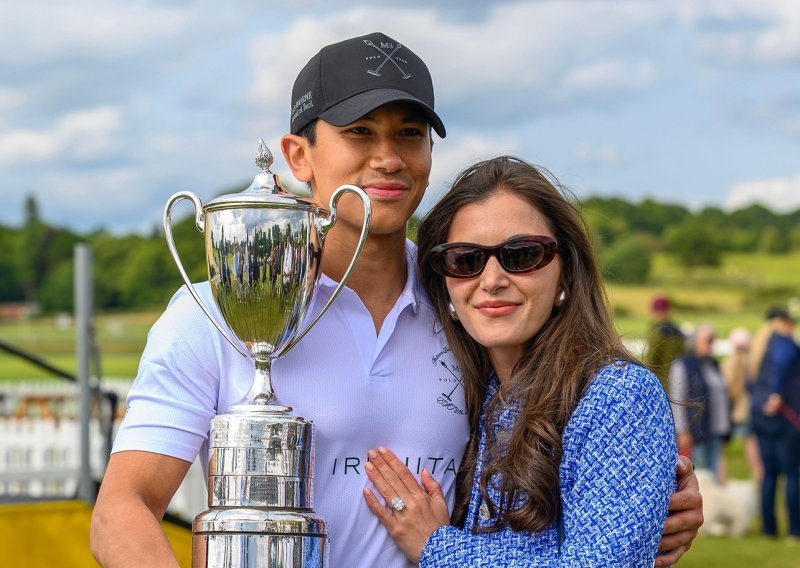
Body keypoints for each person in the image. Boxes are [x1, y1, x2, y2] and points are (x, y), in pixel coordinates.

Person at [90, 32, 702, 567]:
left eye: (409, 134)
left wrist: (651, 500)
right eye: (359, 132)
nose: (388, 158)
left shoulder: (465, 297)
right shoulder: (215, 312)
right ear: (298, 155)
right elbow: (122, 509)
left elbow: (551, 439)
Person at [361, 156, 679, 565]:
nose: (491, 280)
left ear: (565, 273)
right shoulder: (470, 389)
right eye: (465, 259)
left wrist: (437, 547)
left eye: (522, 254)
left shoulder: (618, 395)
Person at [750, 307, 800, 540]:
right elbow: (782, 363)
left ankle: (768, 529)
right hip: (784, 413)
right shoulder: (783, 342)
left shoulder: (759, 344)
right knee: (792, 473)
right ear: (784, 322)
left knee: (769, 474)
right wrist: (777, 393)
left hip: (760, 415)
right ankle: (794, 530)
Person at [669, 325, 731, 484]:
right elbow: (677, 398)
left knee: (714, 474)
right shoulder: (683, 365)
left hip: (715, 430)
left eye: (713, 340)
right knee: (698, 476)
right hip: (695, 432)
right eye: (708, 340)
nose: (712, 344)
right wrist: (682, 430)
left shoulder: (713, 364)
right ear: (696, 342)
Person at [723, 326, 761, 480]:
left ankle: (722, 477)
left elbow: (730, 386)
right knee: (752, 442)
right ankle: (759, 473)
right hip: (753, 408)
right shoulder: (754, 360)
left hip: (738, 410)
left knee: (724, 445)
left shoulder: (732, 362)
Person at [645, 295, 685, 392]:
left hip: (662, 386)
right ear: (669, 310)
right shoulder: (678, 331)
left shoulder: (657, 333)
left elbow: (650, 362)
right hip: (680, 382)